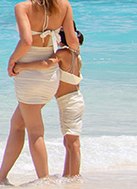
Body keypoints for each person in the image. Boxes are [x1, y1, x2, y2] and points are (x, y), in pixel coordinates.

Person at [0, 0, 81, 187]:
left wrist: (12, 60)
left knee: (35, 132)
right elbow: (72, 42)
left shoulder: (22, 8)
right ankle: (0, 178)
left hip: (29, 76)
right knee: (17, 124)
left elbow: (26, 41)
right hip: (49, 77)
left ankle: (44, 182)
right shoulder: (64, 4)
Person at [13, 25, 85, 178]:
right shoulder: (75, 52)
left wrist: (22, 66)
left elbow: (46, 64)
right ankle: (69, 176)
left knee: (72, 143)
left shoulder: (62, 53)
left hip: (69, 102)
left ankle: (74, 179)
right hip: (73, 100)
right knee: (69, 142)